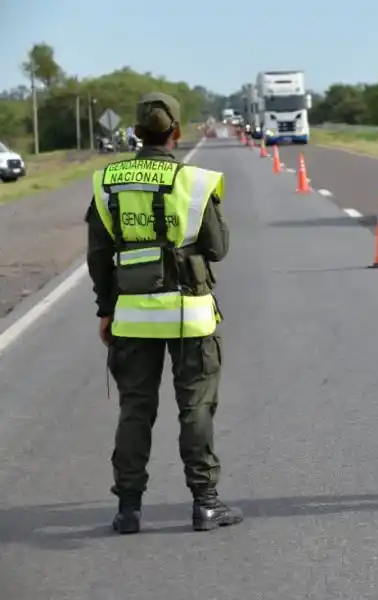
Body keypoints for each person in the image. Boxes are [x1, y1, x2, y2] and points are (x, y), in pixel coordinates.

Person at [84, 92, 243, 533]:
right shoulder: (193, 181)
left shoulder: (107, 181)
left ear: (136, 133)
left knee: (135, 410)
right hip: (190, 316)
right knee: (195, 408)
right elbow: (218, 248)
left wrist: (105, 310)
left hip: (131, 317)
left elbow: (99, 255)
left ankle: (128, 510)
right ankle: (205, 504)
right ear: (176, 131)